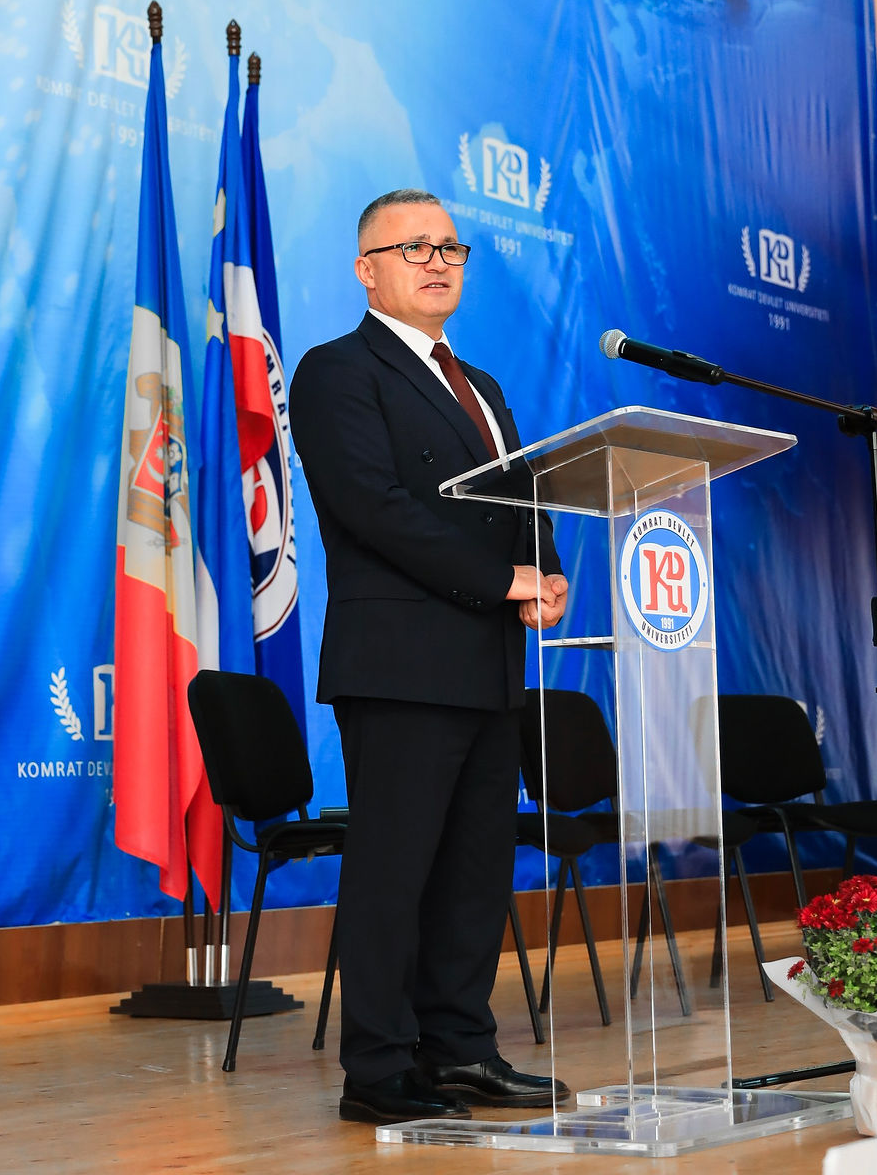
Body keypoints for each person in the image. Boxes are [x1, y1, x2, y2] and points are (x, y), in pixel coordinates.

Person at [289, 188, 569, 1125]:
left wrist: (545, 571)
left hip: (489, 662)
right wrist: (501, 581)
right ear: (366, 271)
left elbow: (520, 497)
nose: (438, 261)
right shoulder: (336, 371)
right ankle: (377, 1070)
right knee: (395, 871)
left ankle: (461, 1051)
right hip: (400, 660)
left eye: (450, 247)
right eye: (413, 248)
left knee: (475, 873)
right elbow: (374, 508)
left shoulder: (481, 384)